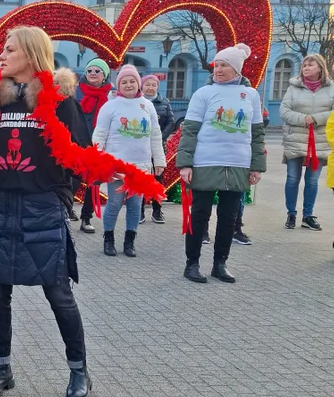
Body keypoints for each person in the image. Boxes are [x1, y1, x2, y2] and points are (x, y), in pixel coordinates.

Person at [0, 26, 125, 397]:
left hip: (41, 205)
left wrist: (60, 197)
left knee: (59, 293)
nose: (2, 56)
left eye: (10, 49)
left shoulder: (58, 99)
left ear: (31, 54)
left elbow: (79, 155)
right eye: (2, 49)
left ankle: (78, 370)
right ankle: (1, 368)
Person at [176, 43, 266, 284]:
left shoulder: (251, 96)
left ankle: (220, 264)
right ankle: (192, 263)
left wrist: (256, 166)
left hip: (237, 165)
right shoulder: (203, 94)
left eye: (225, 65)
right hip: (205, 163)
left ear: (237, 70)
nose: (218, 68)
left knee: (229, 217)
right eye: (217, 64)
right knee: (200, 215)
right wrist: (185, 164)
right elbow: (190, 132)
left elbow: (257, 134)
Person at [92, 65, 166, 257]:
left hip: (140, 166)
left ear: (138, 83)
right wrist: (99, 162)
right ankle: (109, 239)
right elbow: (99, 135)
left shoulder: (147, 105)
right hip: (116, 167)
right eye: (124, 82)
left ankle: (129, 242)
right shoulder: (110, 107)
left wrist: (159, 160)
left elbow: (155, 135)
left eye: (132, 81)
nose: (128, 84)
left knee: (135, 206)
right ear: (119, 85)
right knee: (114, 204)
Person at [280, 54, 334, 231]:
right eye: (304, 66)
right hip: (295, 138)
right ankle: (291, 213)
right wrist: (304, 119)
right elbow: (284, 111)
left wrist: (316, 119)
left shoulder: (331, 88)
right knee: (292, 178)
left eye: (310, 65)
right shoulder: (294, 87)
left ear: (320, 68)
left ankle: (308, 215)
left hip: (318, 141)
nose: (306, 68)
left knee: (312, 181)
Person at [75, 57, 113, 233]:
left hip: (98, 146)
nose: (92, 73)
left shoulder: (111, 96)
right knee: (71, 180)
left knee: (93, 184)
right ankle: (65, 211)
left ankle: (86, 218)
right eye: (89, 70)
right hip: (76, 144)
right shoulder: (76, 91)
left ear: (104, 75)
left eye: (97, 71)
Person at [140, 74, 174, 224]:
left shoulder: (164, 102)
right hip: (141, 148)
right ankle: (139, 210)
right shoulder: (136, 102)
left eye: (154, 85)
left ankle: (157, 210)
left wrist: (160, 138)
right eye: (147, 84)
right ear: (142, 86)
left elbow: (171, 122)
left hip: (158, 147)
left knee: (157, 180)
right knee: (139, 178)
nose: (150, 87)